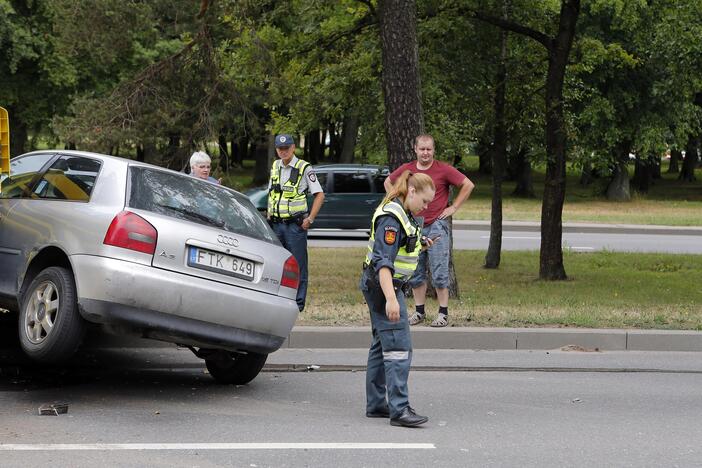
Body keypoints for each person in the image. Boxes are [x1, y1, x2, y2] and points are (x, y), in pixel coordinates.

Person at [361, 170, 436, 427]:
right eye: (424, 201)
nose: (425, 208)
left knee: (381, 345)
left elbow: (401, 245)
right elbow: (384, 263)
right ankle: (400, 409)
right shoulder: (392, 219)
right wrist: (392, 300)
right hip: (385, 287)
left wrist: (421, 243)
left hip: (378, 286)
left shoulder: (402, 213)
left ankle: (377, 404)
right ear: (411, 191)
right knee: (398, 348)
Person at [384, 134, 475, 328]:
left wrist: (453, 208)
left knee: (439, 271)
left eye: (429, 149)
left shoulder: (443, 169)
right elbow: (388, 182)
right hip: (413, 225)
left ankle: (443, 313)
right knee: (415, 271)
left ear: (434, 150)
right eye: (422, 149)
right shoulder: (407, 170)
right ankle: (419, 312)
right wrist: (400, 205)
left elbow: (468, 185)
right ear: (415, 149)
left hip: (436, 225)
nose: (425, 153)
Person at [267, 134, 325, 312]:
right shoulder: (275, 166)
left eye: (286, 148)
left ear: (293, 148)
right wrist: (269, 212)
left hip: (294, 225)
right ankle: (277, 297)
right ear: (276, 149)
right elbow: (271, 191)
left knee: (298, 264)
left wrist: (310, 219)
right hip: (276, 224)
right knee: (276, 262)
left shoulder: (304, 167)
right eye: (280, 149)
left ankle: (298, 303)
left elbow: (320, 195)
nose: (283, 152)